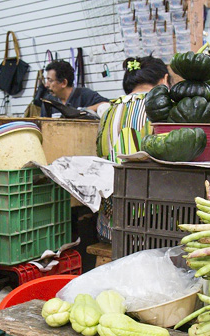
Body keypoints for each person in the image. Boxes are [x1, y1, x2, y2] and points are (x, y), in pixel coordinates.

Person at [96, 56, 169, 242]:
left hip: (109, 228)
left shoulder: (108, 111)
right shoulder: (162, 108)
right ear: (165, 80)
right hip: (151, 232)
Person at [40, 60, 108, 118]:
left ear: (64, 83)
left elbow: (108, 105)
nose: (46, 85)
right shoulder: (48, 102)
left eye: (50, 80)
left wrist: (82, 111)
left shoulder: (85, 95)